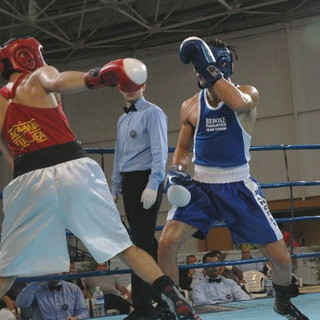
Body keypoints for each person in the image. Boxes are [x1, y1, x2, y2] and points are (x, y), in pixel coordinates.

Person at [0, 37, 198, 320]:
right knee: (124, 246)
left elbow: (10, 153)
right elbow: (57, 81)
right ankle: (170, 294)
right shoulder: (37, 77)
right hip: (71, 168)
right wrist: (97, 77)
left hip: (27, 180)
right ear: (28, 57)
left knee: (6, 269)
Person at [158, 36, 309, 320]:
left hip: (238, 186)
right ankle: (173, 307)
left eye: (203, 64)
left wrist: (209, 65)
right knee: (166, 243)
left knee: (281, 259)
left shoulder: (248, 93)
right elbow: (182, 149)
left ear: (218, 66)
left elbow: (238, 104)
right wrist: (176, 171)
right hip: (201, 186)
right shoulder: (190, 105)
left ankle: (282, 300)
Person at [111, 81, 168, 319]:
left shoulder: (153, 112)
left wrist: (154, 183)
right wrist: (114, 186)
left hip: (146, 180)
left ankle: (143, 307)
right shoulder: (122, 119)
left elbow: (160, 151)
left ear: (144, 85)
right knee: (146, 242)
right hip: (129, 182)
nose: (130, 89)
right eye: (125, 85)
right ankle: (165, 297)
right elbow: (118, 154)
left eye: (135, 85)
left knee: (141, 243)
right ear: (119, 88)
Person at [16, 280, 89, 320]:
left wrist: (76, 318)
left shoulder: (74, 289)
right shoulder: (35, 288)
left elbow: (84, 312)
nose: (56, 272)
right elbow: (21, 303)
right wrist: (36, 281)